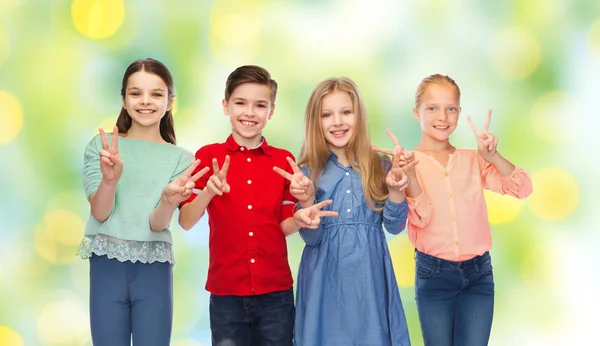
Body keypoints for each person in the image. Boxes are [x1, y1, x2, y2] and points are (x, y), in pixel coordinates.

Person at [179, 65, 320, 346]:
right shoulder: (209, 157)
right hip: (226, 294)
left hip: (275, 294)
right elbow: (185, 220)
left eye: (260, 105)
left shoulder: (283, 161)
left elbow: (285, 225)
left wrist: (302, 212)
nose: (249, 112)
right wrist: (208, 191)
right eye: (240, 103)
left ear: (271, 111)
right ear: (225, 105)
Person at [78, 58, 206, 346]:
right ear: (123, 99)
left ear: (170, 102)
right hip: (106, 264)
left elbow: (157, 224)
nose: (145, 102)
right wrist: (110, 179)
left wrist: (168, 200)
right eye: (136, 93)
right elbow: (100, 212)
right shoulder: (102, 147)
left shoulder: (182, 159)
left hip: (154, 268)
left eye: (156, 94)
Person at [401, 74, 533, 346]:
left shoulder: (473, 161)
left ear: (460, 112)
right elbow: (419, 217)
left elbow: (523, 188)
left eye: (451, 108)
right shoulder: (406, 164)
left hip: (478, 275)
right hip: (433, 275)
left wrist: (492, 156)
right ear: (417, 113)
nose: (443, 117)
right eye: (432, 108)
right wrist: (409, 177)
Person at [285, 77, 412, 346]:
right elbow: (312, 239)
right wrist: (307, 201)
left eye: (346, 112)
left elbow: (394, 226)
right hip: (325, 283)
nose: (338, 122)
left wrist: (397, 190)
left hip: (370, 280)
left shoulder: (380, 166)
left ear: (359, 116)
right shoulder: (308, 172)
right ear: (315, 122)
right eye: (327, 115)